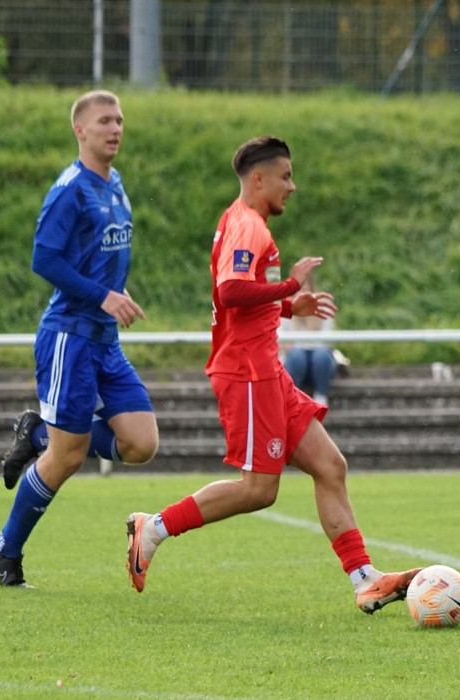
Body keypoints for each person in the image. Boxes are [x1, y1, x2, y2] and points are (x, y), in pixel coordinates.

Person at [124, 136, 419, 614]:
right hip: (248, 372)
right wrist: (291, 284)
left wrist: (286, 306)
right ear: (258, 179)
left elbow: (242, 298)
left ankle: (365, 579)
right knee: (259, 490)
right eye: (285, 176)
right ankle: (153, 528)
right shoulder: (248, 226)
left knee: (330, 466)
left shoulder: (243, 222)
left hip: (267, 370)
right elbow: (231, 291)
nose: (292, 186)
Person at [0, 90, 159, 588]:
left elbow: (98, 254)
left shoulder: (114, 183)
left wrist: (116, 291)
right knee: (69, 457)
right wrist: (103, 295)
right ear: (80, 130)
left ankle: (40, 432)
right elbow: (44, 259)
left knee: (141, 443)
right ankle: (4, 549)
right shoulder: (70, 189)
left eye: (119, 120)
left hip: (104, 340)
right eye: (104, 121)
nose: (115, 128)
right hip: (69, 338)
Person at [280, 273, 337, 406]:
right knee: (297, 356)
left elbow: (328, 339)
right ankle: (294, 398)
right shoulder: (285, 307)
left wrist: (299, 343)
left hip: (319, 361)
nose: (303, 293)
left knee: (321, 355)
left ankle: (321, 396)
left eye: (306, 289)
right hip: (295, 361)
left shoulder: (322, 306)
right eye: (299, 289)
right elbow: (283, 339)